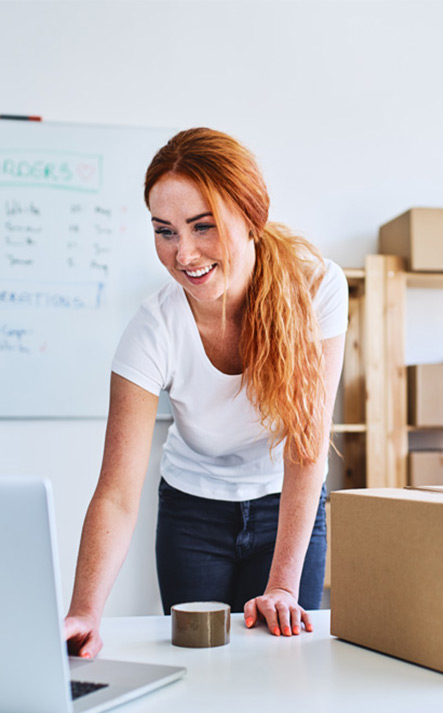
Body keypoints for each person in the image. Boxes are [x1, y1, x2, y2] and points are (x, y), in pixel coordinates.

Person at [64, 128, 348, 657]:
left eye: (203, 226)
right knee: (200, 669)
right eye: (164, 231)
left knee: (283, 668)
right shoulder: (154, 327)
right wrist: (84, 611)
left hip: (284, 508)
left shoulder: (316, 287)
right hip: (192, 514)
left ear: (251, 216)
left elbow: (307, 448)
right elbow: (117, 495)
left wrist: (283, 584)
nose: (184, 254)